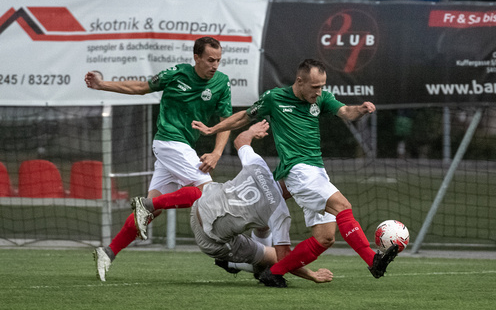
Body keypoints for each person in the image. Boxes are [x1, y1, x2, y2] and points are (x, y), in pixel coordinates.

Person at [191, 59, 399, 287]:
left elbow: (346, 111)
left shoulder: (322, 99)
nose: (319, 92)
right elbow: (243, 117)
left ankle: (274, 272)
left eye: (322, 86)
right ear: (300, 81)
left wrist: (360, 110)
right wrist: (214, 129)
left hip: (317, 172)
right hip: (299, 171)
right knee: (343, 207)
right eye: (315, 87)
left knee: (325, 238)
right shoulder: (274, 98)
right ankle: (373, 260)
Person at [107, 121, 333, 285]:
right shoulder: (279, 212)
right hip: (211, 241)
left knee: (208, 190)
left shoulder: (258, 165)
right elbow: (285, 258)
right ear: (295, 192)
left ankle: (151, 204)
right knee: (272, 258)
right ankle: (234, 264)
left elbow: (240, 140)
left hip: (199, 209)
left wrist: (251, 131)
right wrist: (312, 275)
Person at [88, 36, 233, 282]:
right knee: (208, 195)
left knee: (149, 213)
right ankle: (231, 254)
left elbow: (225, 120)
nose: (215, 65)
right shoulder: (177, 73)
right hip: (168, 141)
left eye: (218, 60)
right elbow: (141, 87)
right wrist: (102, 85)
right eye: (210, 60)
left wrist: (218, 152)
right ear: (196, 57)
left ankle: (108, 252)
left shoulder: (221, 82)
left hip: (181, 148)